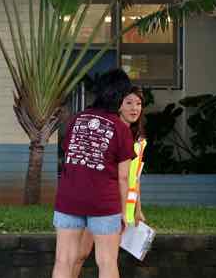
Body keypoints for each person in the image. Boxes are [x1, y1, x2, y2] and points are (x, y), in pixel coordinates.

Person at [51, 69, 136, 278]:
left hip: (69, 198)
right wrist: (125, 213)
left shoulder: (76, 120)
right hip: (103, 203)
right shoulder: (121, 129)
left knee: (63, 260)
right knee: (107, 262)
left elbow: (69, 156)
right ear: (120, 96)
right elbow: (124, 177)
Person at [72, 86, 147, 277]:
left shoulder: (139, 140)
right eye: (129, 103)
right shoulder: (108, 133)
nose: (134, 108)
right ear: (118, 106)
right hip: (101, 202)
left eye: (138, 104)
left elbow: (134, 178)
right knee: (82, 254)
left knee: (107, 260)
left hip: (121, 206)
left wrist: (137, 209)